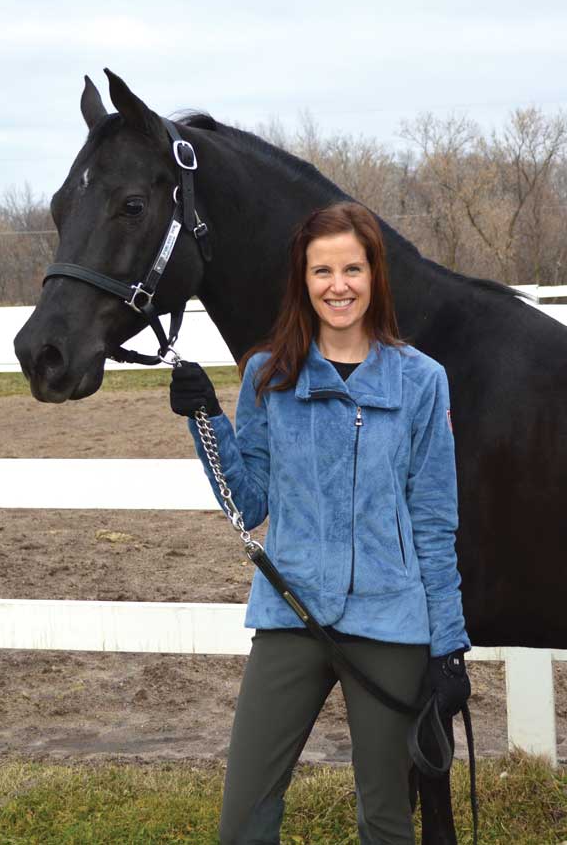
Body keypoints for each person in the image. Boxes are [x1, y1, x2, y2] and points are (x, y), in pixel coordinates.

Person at [170, 201, 471, 845]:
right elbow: (248, 505)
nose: (339, 285)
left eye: (352, 269)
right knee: (244, 817)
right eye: (322, 271)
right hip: (291, 616)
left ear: (374, 276)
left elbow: (433, 521)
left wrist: (447, 644)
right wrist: (206, 421)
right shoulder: (268, 375)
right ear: (303, 282)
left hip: (389, 623)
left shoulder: (422, 381)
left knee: (386, 819)